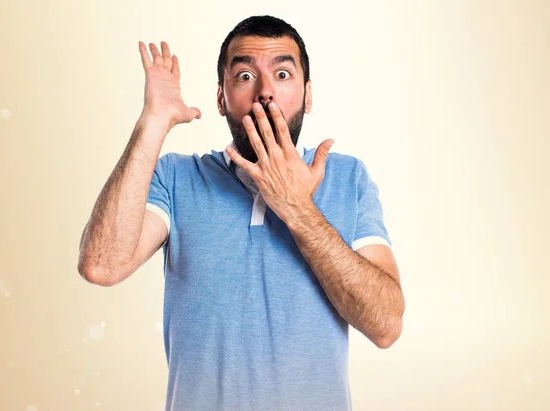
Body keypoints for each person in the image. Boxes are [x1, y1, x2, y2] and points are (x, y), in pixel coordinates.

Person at [78, 15, 405, 411]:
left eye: (283, 74)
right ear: (222, 98)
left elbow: (386, 326)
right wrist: (153, 123)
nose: (265, 91)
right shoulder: (178, 178)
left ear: (307, 94)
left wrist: (298, 209)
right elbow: (101, 265)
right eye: (246, 75)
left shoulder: (347, 178)